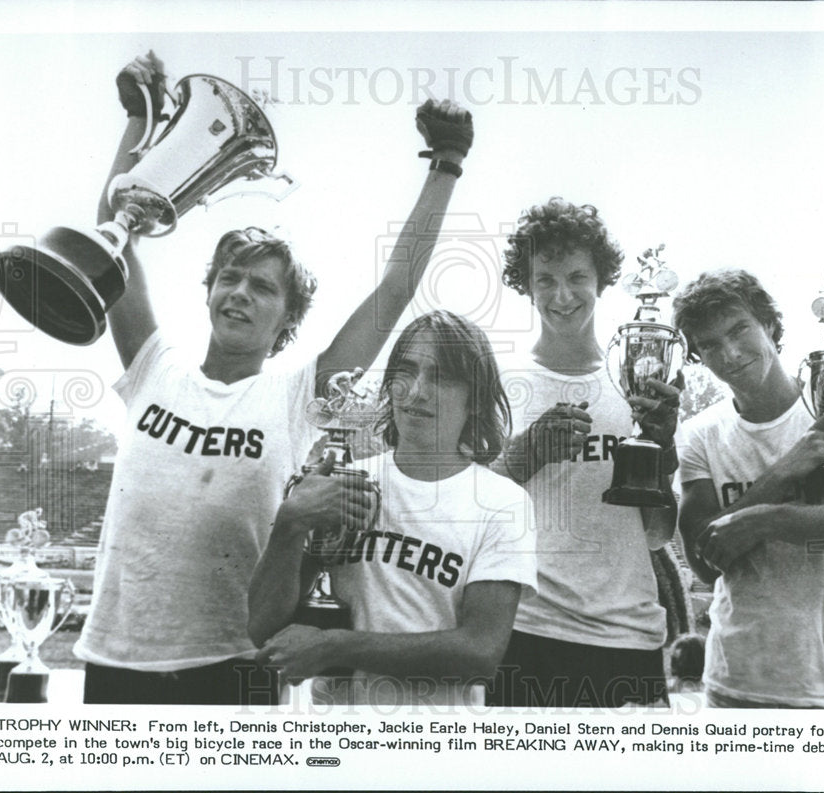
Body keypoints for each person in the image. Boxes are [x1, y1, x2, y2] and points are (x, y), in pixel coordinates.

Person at [73, 51, 475, 705]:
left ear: (288, 317)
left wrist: (447, 164)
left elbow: (395, 289)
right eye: (229, 277)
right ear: (209, 292)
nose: (240, 292)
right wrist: (138, 120)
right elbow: (113, 235)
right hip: (113, 661)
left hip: (234, 666)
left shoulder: (294, 396)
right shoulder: (154, 368)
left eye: (262, 287)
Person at [249, 310, 537, 706]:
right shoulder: (346, 481)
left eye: (441, 377)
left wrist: (334, 646)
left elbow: (480, 653)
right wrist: (290, 523)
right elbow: (263, 629)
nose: (417, 391)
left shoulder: (501, 502)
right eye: (407, 371)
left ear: (475, 398)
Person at [672, 268, 824, 708]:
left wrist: (769, 521)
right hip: (736, 684)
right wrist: (782, 474)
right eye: (709, 344)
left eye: (739, 329)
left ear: (769, 324)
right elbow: (704, 563)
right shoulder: (699, 434)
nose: (729, 353)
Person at [486, 197, 681, 708]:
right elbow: (468, 508)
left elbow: (657, 533)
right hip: (526, 629)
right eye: (545, 280)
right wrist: (523, 455)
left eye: (577, 277)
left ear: (602, 280)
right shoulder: (501, 382)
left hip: (627, 633)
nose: (563, 295)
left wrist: (663, 451)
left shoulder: (638, 382)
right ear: (526, 284)